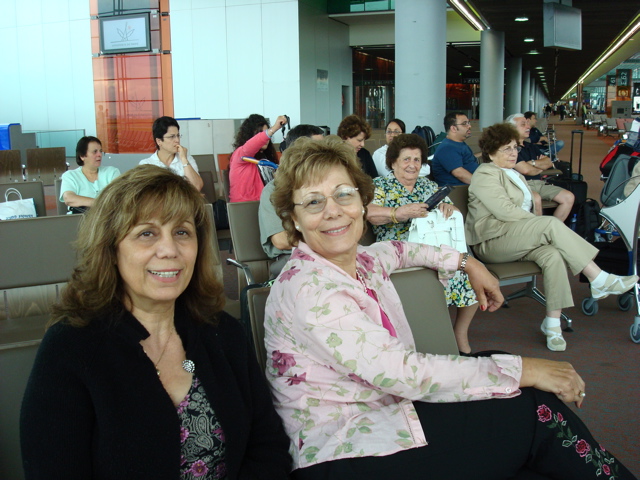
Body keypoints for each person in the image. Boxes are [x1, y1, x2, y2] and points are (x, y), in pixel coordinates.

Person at [263, 136, 637, 479]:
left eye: (344, 194)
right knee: (532, 411)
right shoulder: (311, 289)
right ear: (294, 218)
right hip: (344, 450)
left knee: (508, 383)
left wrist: (467, 263)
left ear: (363, 203)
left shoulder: (360, 259)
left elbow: (401, 249)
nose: (332, 211)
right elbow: (405, 373)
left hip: (385, 413)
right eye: (313, 201)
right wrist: (526, 368)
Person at [21, 165, 292, 478]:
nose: (169, 250)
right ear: (111, 248)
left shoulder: (222, 332)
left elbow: (267, 445)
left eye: (181, 232)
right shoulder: (70, 349)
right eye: (146, 233)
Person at [466, 123, 638, 352]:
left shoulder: (510, 174)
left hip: (514, 237)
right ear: (490, 152)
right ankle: (598, 279)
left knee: (553, 254)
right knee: (549, 225)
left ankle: (553, 324)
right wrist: (539, 226)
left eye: (514, 148)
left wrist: (546, 201)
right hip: (491, 242)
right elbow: (505, 211)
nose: (513, 153)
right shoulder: (485, 174)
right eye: (506, 149)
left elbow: (530, 190)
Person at [367, 133, 478, 354]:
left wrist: (449, 209)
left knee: (469, 269)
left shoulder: (427, 186)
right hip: (398, 251)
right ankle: (428, 334)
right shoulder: (379, 186)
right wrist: (399, 213)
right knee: (438, 270)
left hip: (432, 246)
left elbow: (452, 211)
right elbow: (369, 214)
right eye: (406, 159)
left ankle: (459, 333)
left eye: (417, 160)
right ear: (393, 161)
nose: (412, 165)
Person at [259, 124, 325, 277]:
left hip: (327, 254)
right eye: (318, 149)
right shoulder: (274, 190)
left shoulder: (326, 185)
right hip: (294, 259)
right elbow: (281, 240)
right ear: (298, 153)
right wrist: (327, 237)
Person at [507, 113, 574, 222]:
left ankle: (550, 230)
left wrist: (531, 163)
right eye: (523, 125)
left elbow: (548, 162)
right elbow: (526, 170)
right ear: (511, 129)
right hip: (522, 185)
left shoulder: (530, 146)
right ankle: (538, 234)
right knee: (536, 199)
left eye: (528, 124)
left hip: (540, 183)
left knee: (568, 197)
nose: (528, 127)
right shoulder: (510, 148)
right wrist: (539, 164)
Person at [229, 113, 287, 202]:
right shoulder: (240, 154)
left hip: (263, 204)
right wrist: (274, 128)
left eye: (266, 133)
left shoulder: (265, 157)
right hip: (245, 206)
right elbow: (252, 144)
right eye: (261, 133)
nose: (266, 138)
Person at [140, 116, 204, 191]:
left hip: (185, 202)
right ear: (159, 141)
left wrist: (184, 159)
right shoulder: (147, 164)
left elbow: (197, 186)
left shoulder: (187, 159)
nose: (177, 140)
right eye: (172, 137)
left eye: (178, 135)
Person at [59, 136, 120, 213]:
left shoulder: (112, 172)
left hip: (108, 219)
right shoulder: (70, 175)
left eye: (100, 151)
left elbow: (118, 197)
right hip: (79, 220)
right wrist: (99, 204)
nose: (99, 155)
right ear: (82, 156)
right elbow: (69, 199)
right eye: (95, 152)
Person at [431, 111, 479, 186]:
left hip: (471, 188)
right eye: (464, 124)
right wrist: (483, 184)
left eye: (468, 123)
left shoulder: (459, 144)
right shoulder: (447, 148)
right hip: (459, 192)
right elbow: (460, 174)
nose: (469, 126)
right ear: (453, 128)